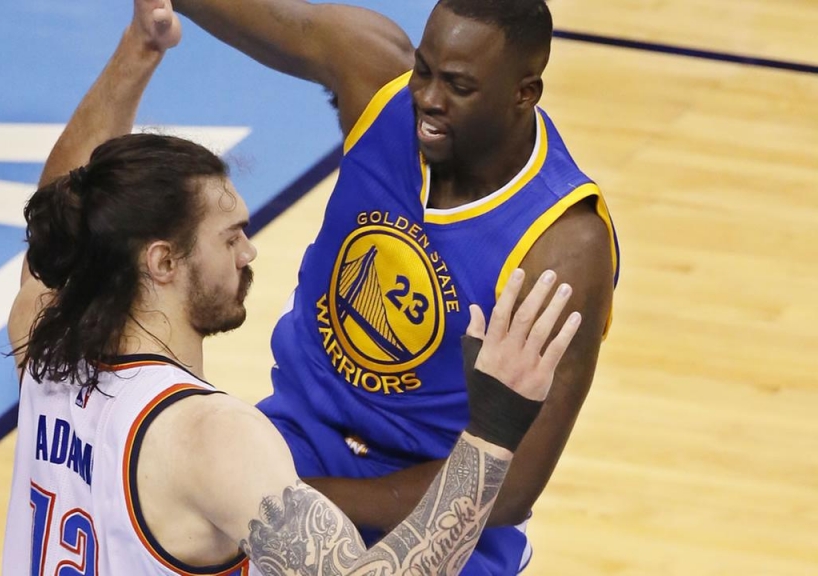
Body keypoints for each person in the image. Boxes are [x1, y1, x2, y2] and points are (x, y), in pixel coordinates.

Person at [2, 1, 584, 574]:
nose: (249, 252)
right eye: (230, 238)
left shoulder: (46, 346)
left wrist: (140, 48)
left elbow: (61, 206)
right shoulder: (214, 442)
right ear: (162, 262)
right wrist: (490, 435)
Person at [169, 0, 621, 573]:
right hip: (297, 436)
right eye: (425, 71)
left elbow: (510, 486)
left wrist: (293, 503)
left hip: (445, 499)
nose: (428, 98)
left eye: (458, 85)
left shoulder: (563, 247)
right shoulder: (382, 85)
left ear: (524, 93)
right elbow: (267, 19)